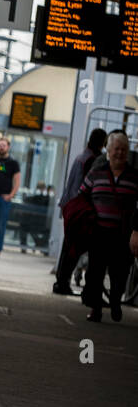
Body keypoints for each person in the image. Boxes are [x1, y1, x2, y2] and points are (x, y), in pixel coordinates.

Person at [80, 130, 138, 322]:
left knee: (119, 273)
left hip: (123, 234)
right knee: (95, 272)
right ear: (108, 150)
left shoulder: (134, 177)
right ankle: (96, 308)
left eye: (123, 149)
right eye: (116, 149)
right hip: (99, 232)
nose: (120, 153)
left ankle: (115, 301)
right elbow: (82, 195)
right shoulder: (97, 173)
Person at [53, 127, 108, 295]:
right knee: (74, 249)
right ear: (103, 142)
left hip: (70, 206)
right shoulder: (94, 160)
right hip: (80, 209)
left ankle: (61, 282)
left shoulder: (81, 156)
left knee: (68, 247)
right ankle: (64, 283)